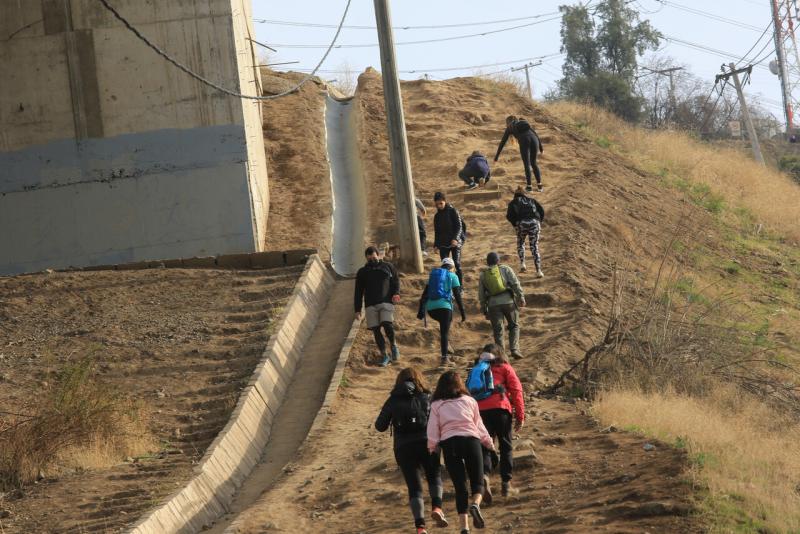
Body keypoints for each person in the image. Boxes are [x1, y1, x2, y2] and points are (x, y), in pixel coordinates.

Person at [375, 367, 449, 534]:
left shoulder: (393, 400)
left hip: (404, 447)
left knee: (414, 486)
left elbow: (380, 426)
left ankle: (420, 527)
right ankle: (437, 508)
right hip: (428, 443)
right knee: (434, 476)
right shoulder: (427, 397)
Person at [428, 370, 495, 533]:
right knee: (477, 481)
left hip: (450, 444)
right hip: (471, 440)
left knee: (460, 487)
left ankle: (464, 527)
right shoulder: (470, 400)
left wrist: (432, 447)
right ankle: (476, 504)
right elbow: (479, 426)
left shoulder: (436, 404)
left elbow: (432, 429)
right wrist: (489, 443)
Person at [471, 344, 525, 499]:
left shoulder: (476, 369)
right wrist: (520, 416)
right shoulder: (505, 368)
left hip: (480, 411)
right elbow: (516, 391)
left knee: (486, 446)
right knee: (506, 445)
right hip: (501, 409)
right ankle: (506, 485)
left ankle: (485, 477)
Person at [354, 246, 401, 366]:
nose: (372, 260)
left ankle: (394, 346)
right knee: (376, 329)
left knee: (387, 324)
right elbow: (358, 291)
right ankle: (384, 355)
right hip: (370, 304)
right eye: (369, 259)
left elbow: (396, 281)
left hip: (386, 301)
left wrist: (396, 293)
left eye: (374, 257)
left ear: (378, 255)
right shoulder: (362, 272)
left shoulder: (388, 266)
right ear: (366, 258)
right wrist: (357, 309)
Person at [477, 252, 526, 359]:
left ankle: (502, 356)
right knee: (514, 325)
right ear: (498, 261)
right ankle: (515, 349)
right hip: (508, 302)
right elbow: (515, 283)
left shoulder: (483, 274)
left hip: (493, 305)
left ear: (487, 262)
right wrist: (521, 297)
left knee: (498, 331)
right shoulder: (506, 269)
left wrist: (484, 309)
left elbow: (481, 294)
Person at [418, 258, 465, 365]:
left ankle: (447, 346)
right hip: (445, 307)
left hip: (431, 309)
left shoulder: (434, 276)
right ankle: (444, 358)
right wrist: (463, 312)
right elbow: (457, 295)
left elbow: (424, 294)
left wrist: (421, 310)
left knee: (445, 326)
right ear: (452, 267)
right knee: (444, 331)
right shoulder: (453, 276)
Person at [494, 115, 544, 193]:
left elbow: (502, 142)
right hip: (534, 140)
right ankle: (540, 186)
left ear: (508, 122)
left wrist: (496, 157)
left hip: (524, 140)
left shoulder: (510, 127)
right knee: (534, 163)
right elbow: (535, 134)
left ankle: (529, 187)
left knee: (527, 165)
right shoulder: (523, 123)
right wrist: (541, 148)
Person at [506, 186, 545, 277]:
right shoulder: (532, 200)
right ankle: (538, 270)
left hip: (522, 223)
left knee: (520, 243)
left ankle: (523, 263)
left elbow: (509, 216)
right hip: (535, 223)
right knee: (534, 246)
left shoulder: (514, 202)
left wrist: (515, 225)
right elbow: (541, 211)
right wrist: (539, 221)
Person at [433, 191, 464, 285]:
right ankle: (448, 287)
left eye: (441, 203)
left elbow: (459, 226)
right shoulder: (437, 216)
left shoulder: (453, 211)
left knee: (457, 264)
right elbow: (437, 232)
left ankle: (459, 286)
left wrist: (455, 238)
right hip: (443, 244)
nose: (439, 206)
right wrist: (436, 245)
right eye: (437, 204)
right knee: (445, 266)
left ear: (444, 201)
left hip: (455, 243)